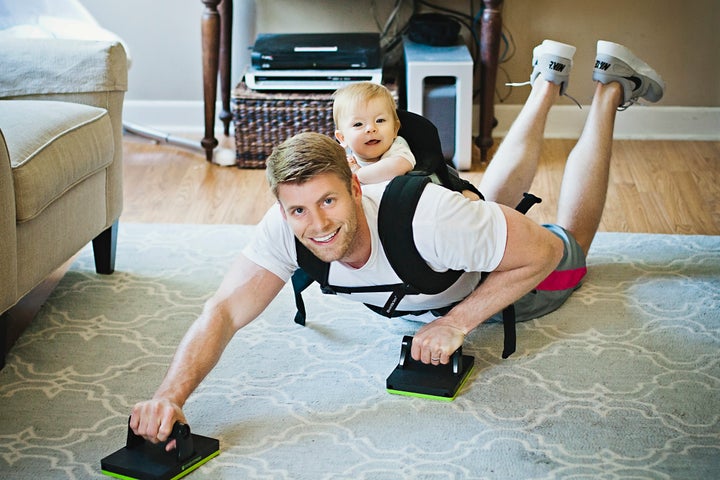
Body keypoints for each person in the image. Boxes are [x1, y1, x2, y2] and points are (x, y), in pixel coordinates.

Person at [130, 39, 664, 447]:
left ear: (357, 184)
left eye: (329, 203)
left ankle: (609, 87)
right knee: (488, 210)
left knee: (567, 238)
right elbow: (222, 311)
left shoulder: (427, 218)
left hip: (500, 280)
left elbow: (542, 255)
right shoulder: (288, 228)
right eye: (298, 209)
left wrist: (456, 323)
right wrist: (168, 397)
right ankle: (547, 83)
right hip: (456, 250)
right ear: (280, 207)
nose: (316, 225)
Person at [332, 81, 415, 185]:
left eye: (379, 121)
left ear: (395, 129)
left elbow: (399, 166)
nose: (371, 128)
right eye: (358, 124)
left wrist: (358, 173)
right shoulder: (345, 158)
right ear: (342, 138)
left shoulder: (397, 147)